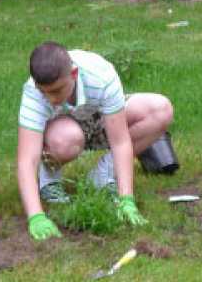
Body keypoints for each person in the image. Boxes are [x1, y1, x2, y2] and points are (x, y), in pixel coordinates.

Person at [16, 42, 174, 241]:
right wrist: (36, 216)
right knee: (65, 140)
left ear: (73, 74)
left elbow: (120, 141)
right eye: (44, 92)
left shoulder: (100, 75)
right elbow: (26, 160)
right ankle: (49, 179)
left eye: (56, 91)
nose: (50, 98)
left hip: (98, 119)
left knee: (161, 109)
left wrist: (126, 198)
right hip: (63, 132)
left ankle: (103, 175)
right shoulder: (33, 91)